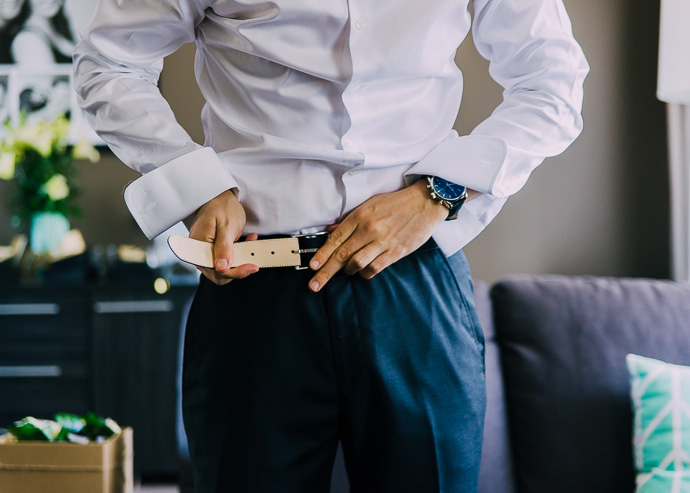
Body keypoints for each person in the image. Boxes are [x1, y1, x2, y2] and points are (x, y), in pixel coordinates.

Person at [73, 1, 588, 491]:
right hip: (255, 283)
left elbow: (552, 83)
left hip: (413, 281)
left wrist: (439, 193)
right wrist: (197, 186)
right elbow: (108, 62)